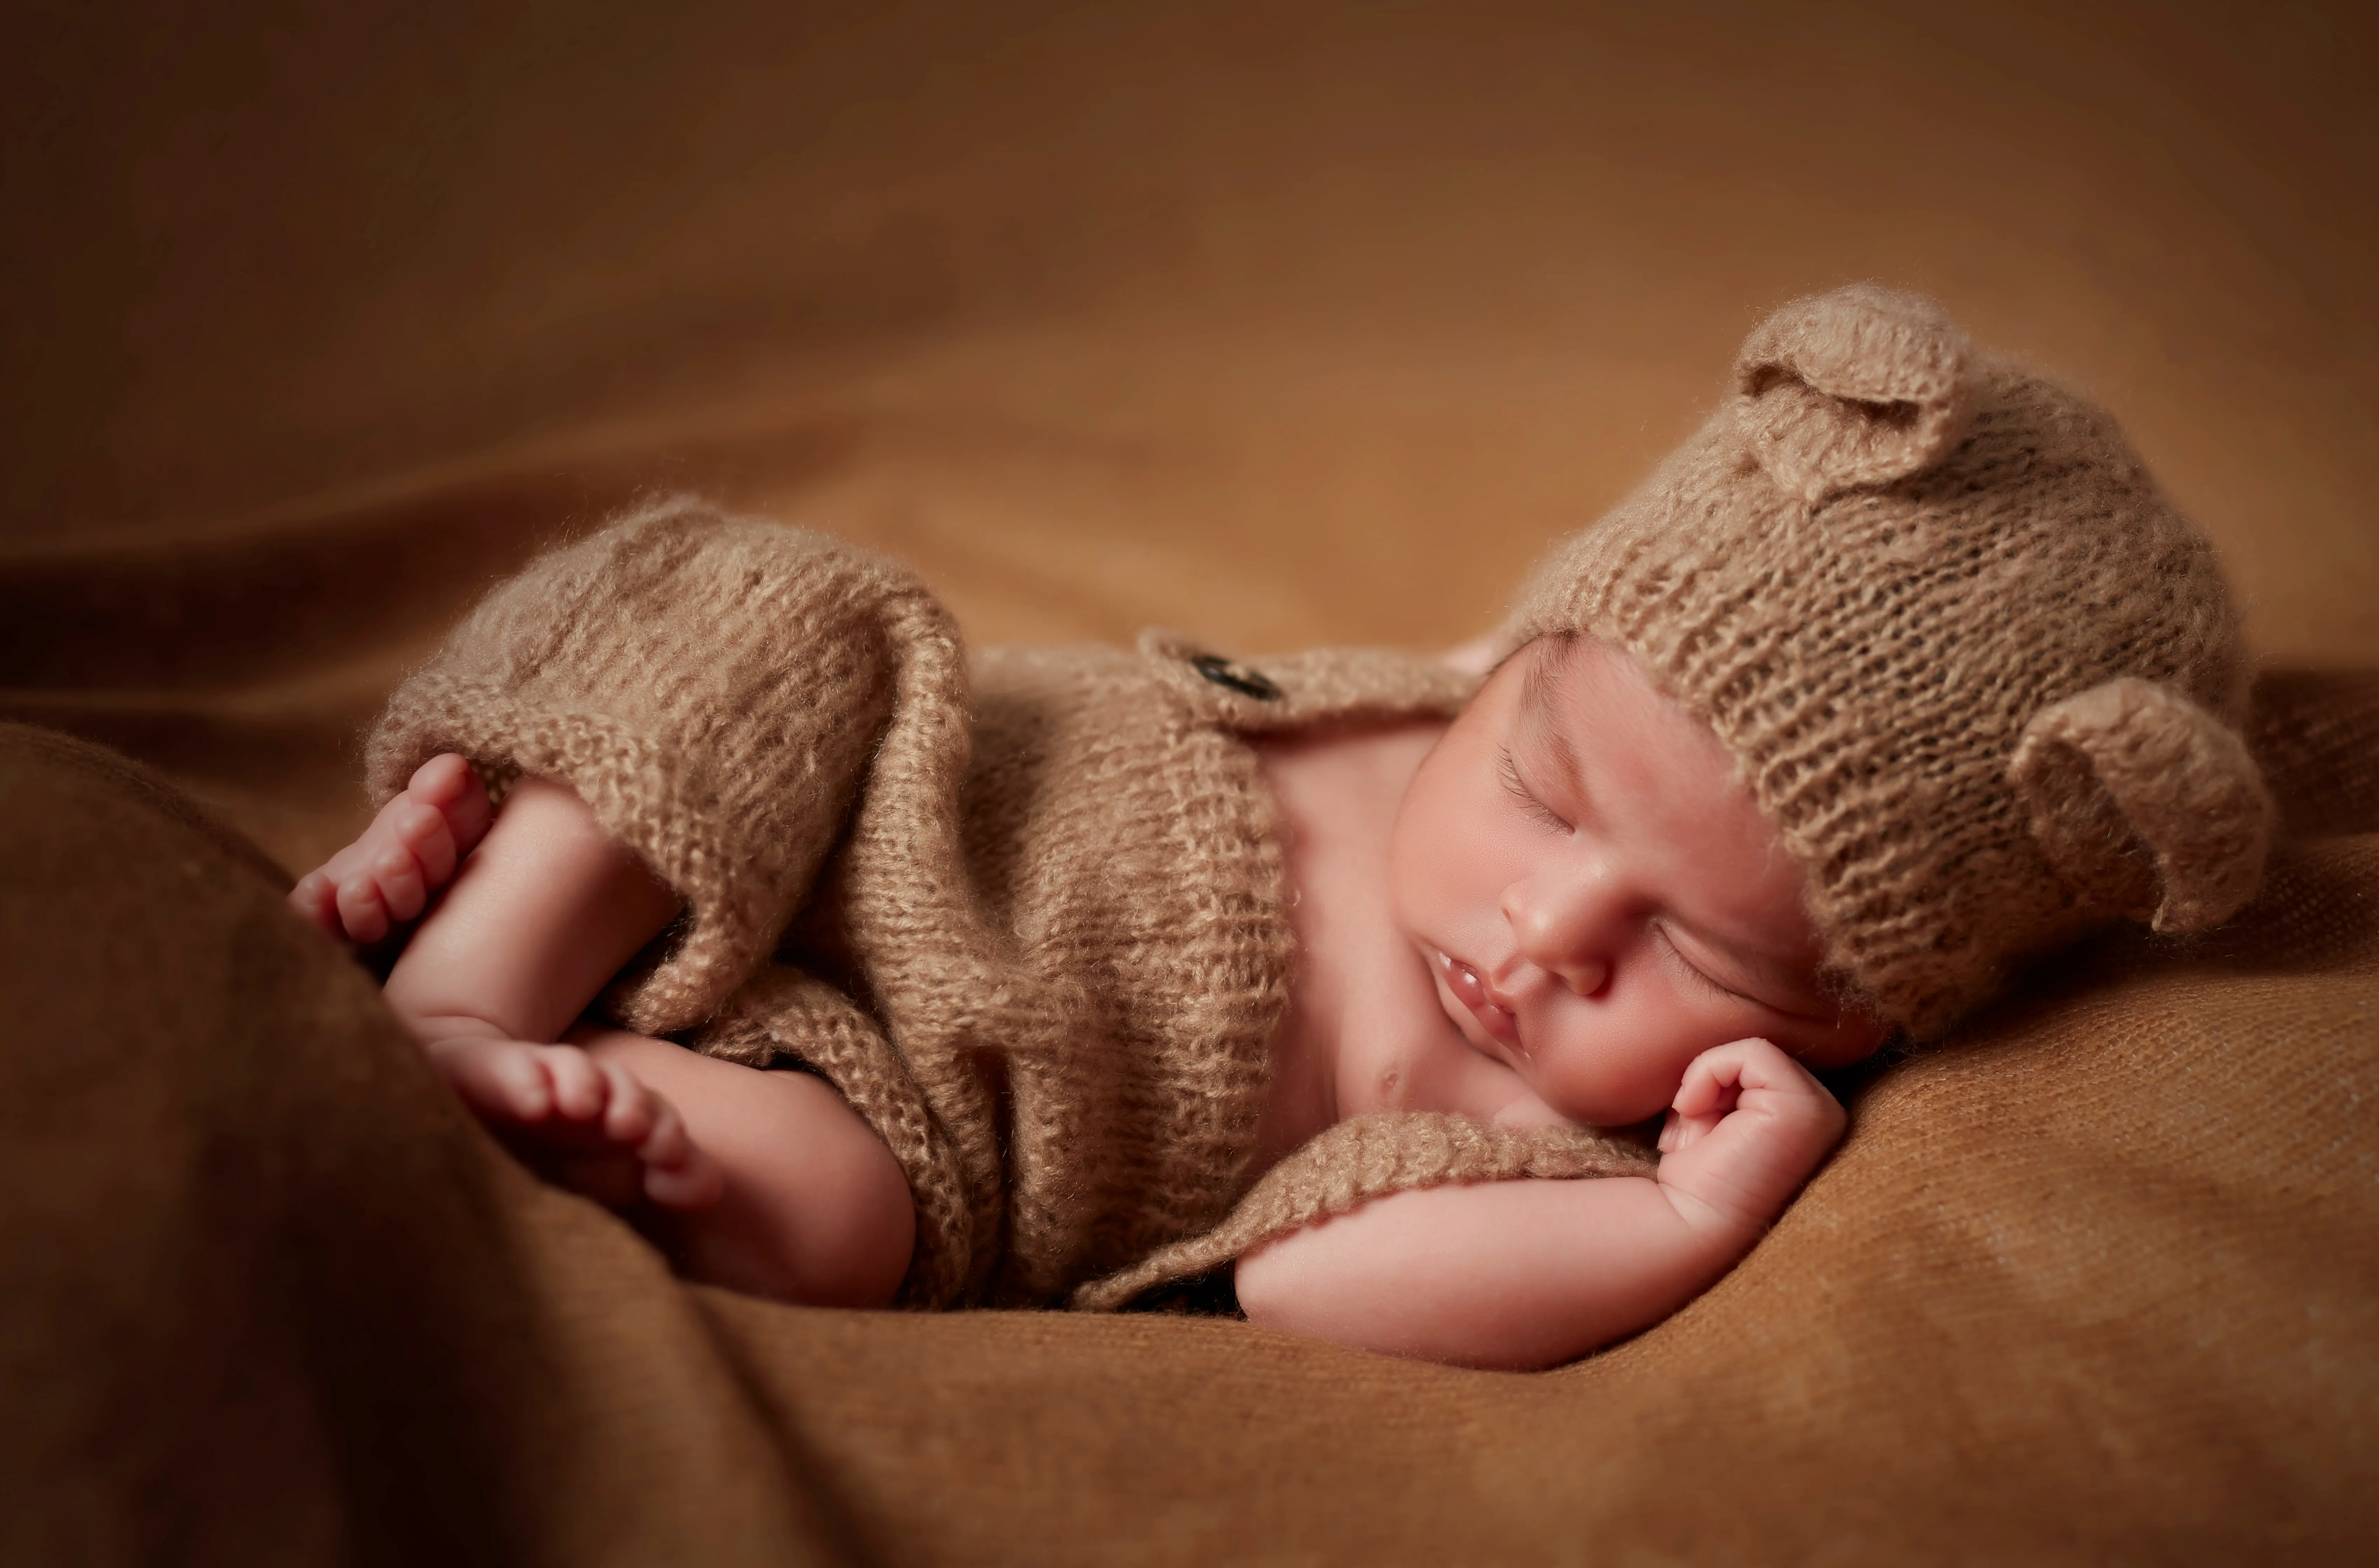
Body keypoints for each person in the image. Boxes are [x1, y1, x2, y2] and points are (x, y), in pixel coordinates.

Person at [291, 284, 2275, 1369]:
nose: (1545, 938)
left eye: (1699, 952)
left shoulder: (1555, 1140)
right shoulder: (1496, 668)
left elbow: (1313, 1283)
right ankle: (479, 962)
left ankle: (583, 1100)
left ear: (1863, 1021)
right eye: (1545, 788)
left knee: (846, 1217)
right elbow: (1619, 621)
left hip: (921, 1098)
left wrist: (1684, 1221)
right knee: (762, 606)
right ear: (1537, 646)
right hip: (844, 787)